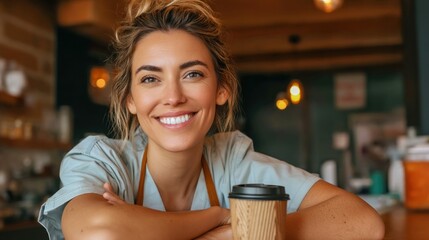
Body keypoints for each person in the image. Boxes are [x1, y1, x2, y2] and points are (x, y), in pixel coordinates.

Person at [38, 0, 385, 239]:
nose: (173, 96)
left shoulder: (233, 161)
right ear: (130, 99)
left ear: (221, 89)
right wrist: (223, 218)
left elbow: (364, 223)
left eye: (192, 74)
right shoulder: (102, 160)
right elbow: (97, 232)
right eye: (150, 78)